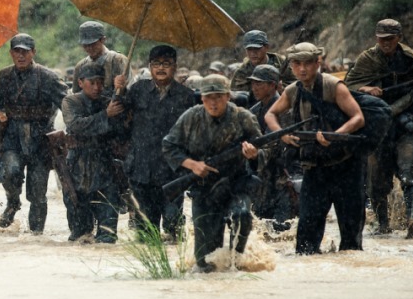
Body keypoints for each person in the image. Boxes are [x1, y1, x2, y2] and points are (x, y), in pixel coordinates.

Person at [264, 42, 366, 255]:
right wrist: (282, 134)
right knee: (305, 242)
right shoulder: (293, 91)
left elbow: (358, 118)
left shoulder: (334, 86)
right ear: (291, 66)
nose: (302, 69)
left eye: (307, 63)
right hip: (314, 167)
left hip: (345, 167)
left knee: (351, 240)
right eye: (297, 64)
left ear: (317, 63)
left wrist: (335, 136)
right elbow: (270, 114)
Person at [343, 19, 413, 238]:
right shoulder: (367, 59)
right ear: (376, 38)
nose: (386, 43)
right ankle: (381, 224)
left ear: (399, 38)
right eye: (382, 39)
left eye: (390, 39)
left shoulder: (411, 58)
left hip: (405, 120)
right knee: (376, 178)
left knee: (410, 170)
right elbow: (347, 87)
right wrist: (366, 89)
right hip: (377, 124)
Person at [163, 75, 262, 271]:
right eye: (208, 97)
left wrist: (254, 154)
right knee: (205, 262)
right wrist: (192, 165)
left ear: (228, 96)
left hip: (235, 184)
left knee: (242, 216)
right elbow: (169, 146)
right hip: (204, 187)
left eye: (218, 97)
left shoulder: (243, 117)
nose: (213, 102)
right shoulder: (191, 117)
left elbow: (264, 147)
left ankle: (236, 263)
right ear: (201, 98)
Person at [0, 33, 68, 233]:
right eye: (17, 51)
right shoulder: (4, 76)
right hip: (13, 135)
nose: (21, 56)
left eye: (25, 52)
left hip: (40, 137)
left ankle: (36, 235)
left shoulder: (49, 77)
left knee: (38, 192)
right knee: (10, 172)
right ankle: (13, 202)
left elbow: (66, 103)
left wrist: (75, 123)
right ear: (11, 53)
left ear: (33, 52)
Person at [120, 45, 196, 239]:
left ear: (175, 67)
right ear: (150, 67)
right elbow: (120, 118)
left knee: (173, 226)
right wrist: (118, 90)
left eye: (166, 64)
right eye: (156, 64)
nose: (161, 68)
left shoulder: (186, 96)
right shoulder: (137, 90)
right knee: (146, 230)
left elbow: (192, 134)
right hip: (141, 168)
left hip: (172, 171)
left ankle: (174, 257)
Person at [61, 62, 126, 242]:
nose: (97, 87)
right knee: (80, 235)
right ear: (80, 82)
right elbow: (76, 125)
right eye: (92, 82)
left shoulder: (109, 102)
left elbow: (123, 127)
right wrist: (105, 115)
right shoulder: (70, 102)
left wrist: (121, 90)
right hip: (77, 168)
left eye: (100, 82)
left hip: (106, 166)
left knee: (108, 234)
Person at [247, 64, 296, 232]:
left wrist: (255, 154)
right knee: (261, 229)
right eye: (253, 83)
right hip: (262, 178)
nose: (254, 88)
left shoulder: (286, 109)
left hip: (284, 176)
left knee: (282, 230)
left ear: (273, 85)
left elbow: (275, 145)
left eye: (259, 83)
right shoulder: (254, 111)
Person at [229, 30, 295, 97]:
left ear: (266, 47)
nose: (253, 53)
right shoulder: (241, 73)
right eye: (249, 49)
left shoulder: (281, 63)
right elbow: (237, 96)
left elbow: (296, 84)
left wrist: (282, 89)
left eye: (256, 49)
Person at [72, 21, 128, 97]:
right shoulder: (80, 66)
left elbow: (131, 91)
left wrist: (121, 88)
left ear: (103, 40)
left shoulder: (118, 60)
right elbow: (76, 95)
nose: (89, 48)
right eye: (85, 45)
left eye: (93, 44)